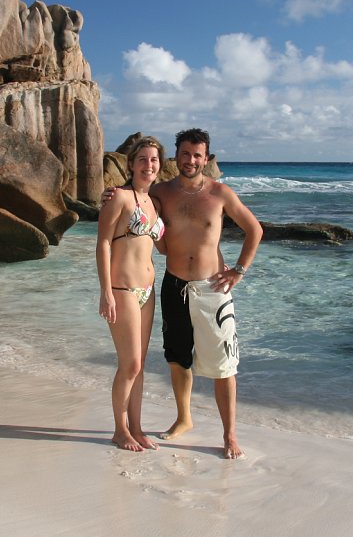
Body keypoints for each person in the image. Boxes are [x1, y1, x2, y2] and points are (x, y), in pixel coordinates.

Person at [104, 128, 262, 460]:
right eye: (185, 154)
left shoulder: (220, 193)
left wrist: (238, 270)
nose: (191, 160)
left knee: (224, 365)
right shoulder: (161, 192)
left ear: (207, 159)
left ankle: (230, 435)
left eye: (197, 155)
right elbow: (133, 202)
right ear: (176, 157)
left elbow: (254, 229)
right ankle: (183, 418)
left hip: (212, 288)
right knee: (177, 358)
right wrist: (110, 194)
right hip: (173, 285)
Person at [96, 135, 167, 452]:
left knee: (140, 366)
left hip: (148, 292)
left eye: (153, 160)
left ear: (159, 165)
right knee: (131, 364)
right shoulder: (119, 197)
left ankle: (137, 428)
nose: (148, 165)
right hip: (121, 288)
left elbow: (162, 246)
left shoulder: (155, 203)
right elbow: (103, 242)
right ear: (131, 164)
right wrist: (106, 291)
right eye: (142, 159)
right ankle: (119, 430)